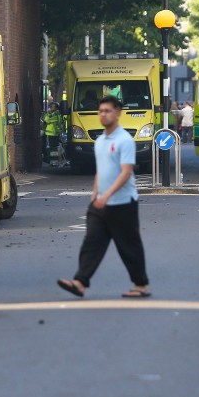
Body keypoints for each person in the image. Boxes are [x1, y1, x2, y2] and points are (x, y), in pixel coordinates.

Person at [57, 95, 150, 299]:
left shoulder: (124, 140)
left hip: (123, 203)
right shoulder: (100, 141)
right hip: (100, 203)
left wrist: (106, 195)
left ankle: (140, 284)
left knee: (129, 245)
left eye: (107, 111)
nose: (103, 115)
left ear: (118, 113)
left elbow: (126, 173)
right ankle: (80, 282)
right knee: (92, 242)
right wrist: (95, 195)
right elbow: (101, 170)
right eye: (101, 111)